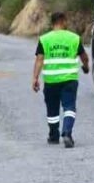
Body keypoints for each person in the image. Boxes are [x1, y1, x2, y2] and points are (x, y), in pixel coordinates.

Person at [31, 12, 90, 148]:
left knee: (52, 110)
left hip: (51, 81)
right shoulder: (74, 38)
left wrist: (35, 78)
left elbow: (39, 59)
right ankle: (67, 133)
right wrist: (86, 67)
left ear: (52, 23)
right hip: (69, 79)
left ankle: (54, 136)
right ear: (63, 21)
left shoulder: (44, 39)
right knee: (69, 107)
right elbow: (84, 56)